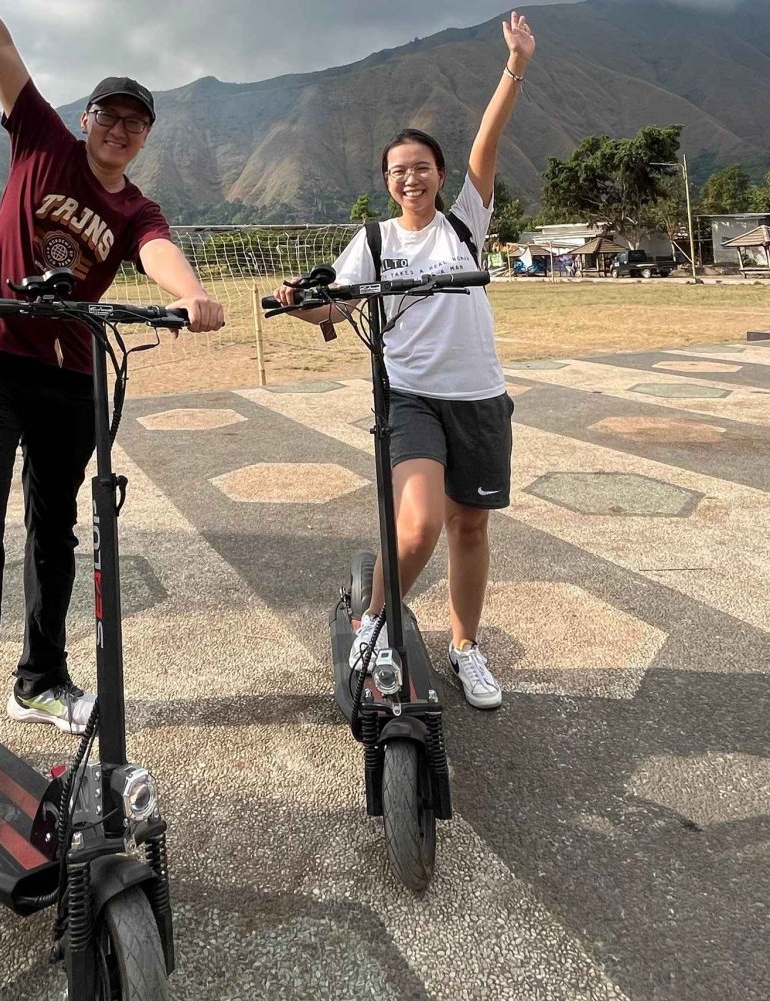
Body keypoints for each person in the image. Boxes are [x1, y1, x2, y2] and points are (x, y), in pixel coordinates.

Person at [0, 0, 225, 822]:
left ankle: (42, 680)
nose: (119, 130)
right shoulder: (42, 140)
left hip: (67, 374)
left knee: (56, 528)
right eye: (108, 116)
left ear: (145, 138)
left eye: (134, 122)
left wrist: (190, 293)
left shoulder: (135, 208)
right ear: (84, 120)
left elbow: (156, 249)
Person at [275, 12, 536, 712]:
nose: (410, 178)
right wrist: (298, 303)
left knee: (470, 526)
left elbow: (487, 141)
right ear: (387, 182)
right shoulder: (372, 241)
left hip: (479, 396)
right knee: (418, 524)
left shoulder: (465, 225)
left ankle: (465, 646)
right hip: (411, 397)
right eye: (398, 171)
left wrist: (514, 66)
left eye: (421, 167)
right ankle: (375, 622)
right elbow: (335, 310)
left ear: (441, 175)